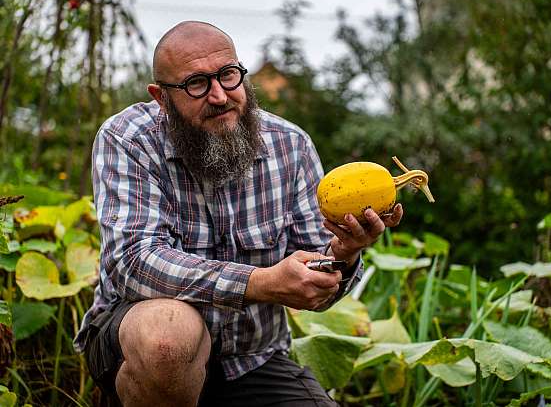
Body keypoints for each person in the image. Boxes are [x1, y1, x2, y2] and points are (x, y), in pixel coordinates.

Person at [74, 21, 403, 407]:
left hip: (252, 359)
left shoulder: (290, 146)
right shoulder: (128, 140)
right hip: (139, 347)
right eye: (197, 83)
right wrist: (259, 282)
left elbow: (318, 284)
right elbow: (134, 261)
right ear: (161, 98)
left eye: (229, 76)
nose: (219, 96)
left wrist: (344, 253)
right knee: (169, 337)